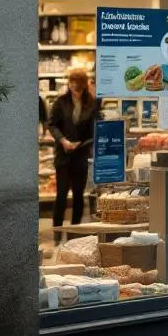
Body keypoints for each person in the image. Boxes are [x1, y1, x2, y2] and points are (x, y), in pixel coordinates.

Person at [48, 68, 99, 227]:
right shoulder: (61, 102)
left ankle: (75, 231)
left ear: (84, 87)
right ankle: (57, 230)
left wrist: (81, 144)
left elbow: (94, 131)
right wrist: (63, 140)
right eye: (72, 87)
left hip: (80, 156)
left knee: (78, 196)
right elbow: (52, 124)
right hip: (63, 156)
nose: (75, 91)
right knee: (61, 195)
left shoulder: (91, 104)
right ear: (69, 85)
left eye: (79, 88)